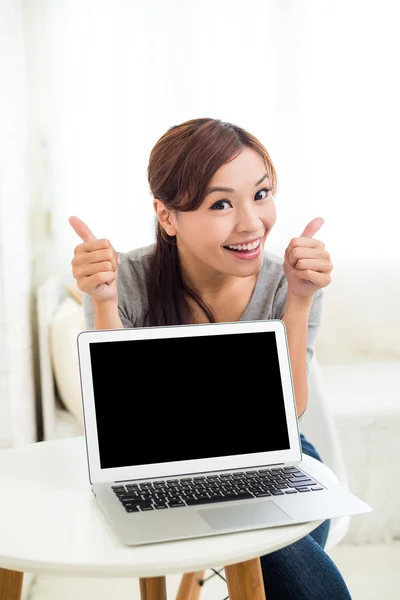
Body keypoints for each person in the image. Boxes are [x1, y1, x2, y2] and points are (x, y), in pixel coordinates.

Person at [69, 117, 351, 599]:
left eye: (261, 195)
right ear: (167, 217)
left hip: (276, 457)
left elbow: (293, 410)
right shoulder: (127, 279)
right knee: (273, 548)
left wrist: (300, 299)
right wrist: (104, 302)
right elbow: (123, 422)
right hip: (159, 469)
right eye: (221, 203)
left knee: (276, 547)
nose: (251, 223)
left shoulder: (288, 279)